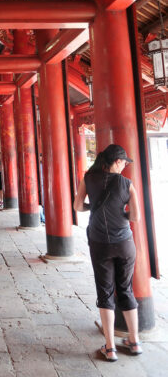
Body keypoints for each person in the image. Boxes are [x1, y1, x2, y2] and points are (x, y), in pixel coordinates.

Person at [73, 144, 142, 362]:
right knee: (126, 290)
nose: (124, 166)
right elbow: (135, 218)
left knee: (105, 292)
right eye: (123, 162)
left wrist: (92, 207)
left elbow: (77, 206)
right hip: (124, 243)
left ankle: (110, 347)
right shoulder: (126, 184)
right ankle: (134, 341)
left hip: (99, 242)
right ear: (117, 162)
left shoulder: (89, 178)